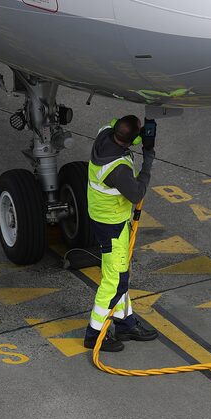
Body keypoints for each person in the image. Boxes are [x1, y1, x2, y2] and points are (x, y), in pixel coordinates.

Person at [83, 115, 159, 352]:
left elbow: (118, 126)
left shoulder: (104, 133)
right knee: (115, 281)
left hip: (107, 218)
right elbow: (137, 193)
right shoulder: (118, 169)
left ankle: (125, 323)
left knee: (120, 272)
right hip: (112, 224)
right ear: (133, 139)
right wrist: (148, 161)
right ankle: (94, 335)